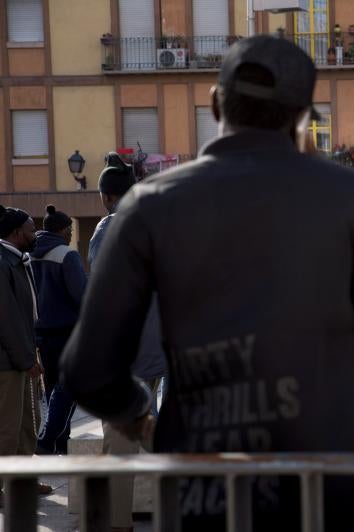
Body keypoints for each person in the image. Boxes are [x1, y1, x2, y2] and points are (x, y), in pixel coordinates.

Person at [60, 35, 354, 531]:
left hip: (204, 495)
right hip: (327, 489)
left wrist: (144, 419)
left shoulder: (150, 204)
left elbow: (88, 370)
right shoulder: (345, 194)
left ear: (214, 101)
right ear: (302, 115)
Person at [89, 154, 168, 532]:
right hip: (160, 351)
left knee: (119, 444)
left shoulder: (108, 229)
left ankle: (117, 523)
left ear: (106, 196)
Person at [0, 205, 51, 495]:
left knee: (26, 426)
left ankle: (23, 483)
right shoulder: (2, 262)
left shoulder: (18, 259)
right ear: (17, 232)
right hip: (8, 362)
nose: (36, 233)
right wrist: (25, 359)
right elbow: (6, 318)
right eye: (32, 228)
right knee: (7, 429)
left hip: (23, 356)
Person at [29, 205, 87, 455]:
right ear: (63, 230)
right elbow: (82, 296)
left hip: (40, 332)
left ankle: (60, 442)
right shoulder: (67, 255)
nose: (71, 232)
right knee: (69, 387)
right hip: (67, 332)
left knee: (53, 387)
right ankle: (50, 439)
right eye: (70, 229)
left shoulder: (29, 254)